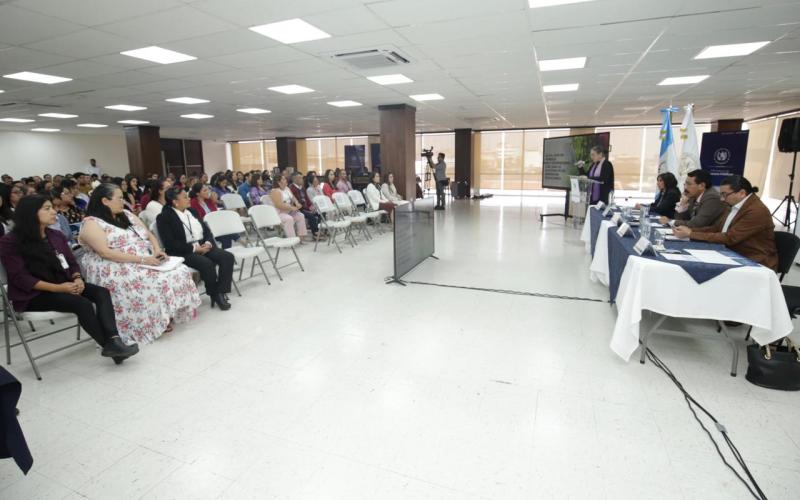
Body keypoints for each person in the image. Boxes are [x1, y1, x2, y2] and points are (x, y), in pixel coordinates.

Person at [0, 196, 138, 362]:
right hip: (34, 295)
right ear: (30, 213)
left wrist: (78, 278)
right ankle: (111, 347)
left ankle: (114, 341)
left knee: (101, 292)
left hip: (65, 285)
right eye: (47, 208)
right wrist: (60, 288)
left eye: (52, 207)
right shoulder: (10, 242)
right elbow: (20, 278)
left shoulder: (55, 235)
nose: (54, 212)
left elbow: (71, 263)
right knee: (82, 303)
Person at [79, 184, 201, 344]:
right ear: (105, 201)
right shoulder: (91, 223)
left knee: (179, 271)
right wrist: (143, 260)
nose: (124, 201)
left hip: (143, 257)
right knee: (153, 279)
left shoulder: (126, 215)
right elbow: (105, 253)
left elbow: (149, 235)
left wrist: (157, 250)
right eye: (120, 198)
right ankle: (151, 322)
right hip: (114, 264)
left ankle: (165, 315)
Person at [673, 175, 778, 271]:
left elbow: (730, 238)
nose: (722, 199)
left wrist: (691, 234)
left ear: (742, 193)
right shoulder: (734, 205)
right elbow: (716, 228)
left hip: (753, 261)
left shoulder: (756, 211)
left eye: (725, 195)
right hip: (732, 253)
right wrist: (690, 231)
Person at [157, 188, 234, 310]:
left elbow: (206, 230)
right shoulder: (164, 217)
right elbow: (170, 243)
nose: (189, 199)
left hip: (202, 245)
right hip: (182, 251)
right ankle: (215, 295)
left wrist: (208, 243)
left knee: (227, 257)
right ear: (175, 202)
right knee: (207, 263)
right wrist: (194, 248)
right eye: (185, 197)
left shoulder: (192, 211)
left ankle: (220, 291)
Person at [660, 169, 728, 228]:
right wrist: (682, 205)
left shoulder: (712, 198)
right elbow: (682, 220)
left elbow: (696, 224)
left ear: (701, 186)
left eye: (689, 184)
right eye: (685, 184)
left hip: (710, 239)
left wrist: (671, 221)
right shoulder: (692, 196)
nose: (685, 188)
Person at [269, 174, 308, 240]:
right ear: (278, 182)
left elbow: (293, 198)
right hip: (279, 213)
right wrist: (292, 208)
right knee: (289, 219)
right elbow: (279, 205)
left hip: (289, 211)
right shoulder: (275, 191)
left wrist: (297, 203)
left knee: (300, 215)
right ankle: (291, 240)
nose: (286, 180)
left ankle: (301, 237)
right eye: (283, 179)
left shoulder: (287, 188)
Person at [289, 172, 322, 238]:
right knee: (311, 215)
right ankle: (315, 233)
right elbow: (297, 202)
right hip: (299, 209)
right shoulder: (292, 188)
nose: (302, 179)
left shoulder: (302, 188)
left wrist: (310, 206)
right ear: (295, 179)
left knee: (319, 212)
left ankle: (320, 230)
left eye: (302, 178)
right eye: (300, 178)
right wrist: (308, 209)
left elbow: (307, 199)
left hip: (306, 208)